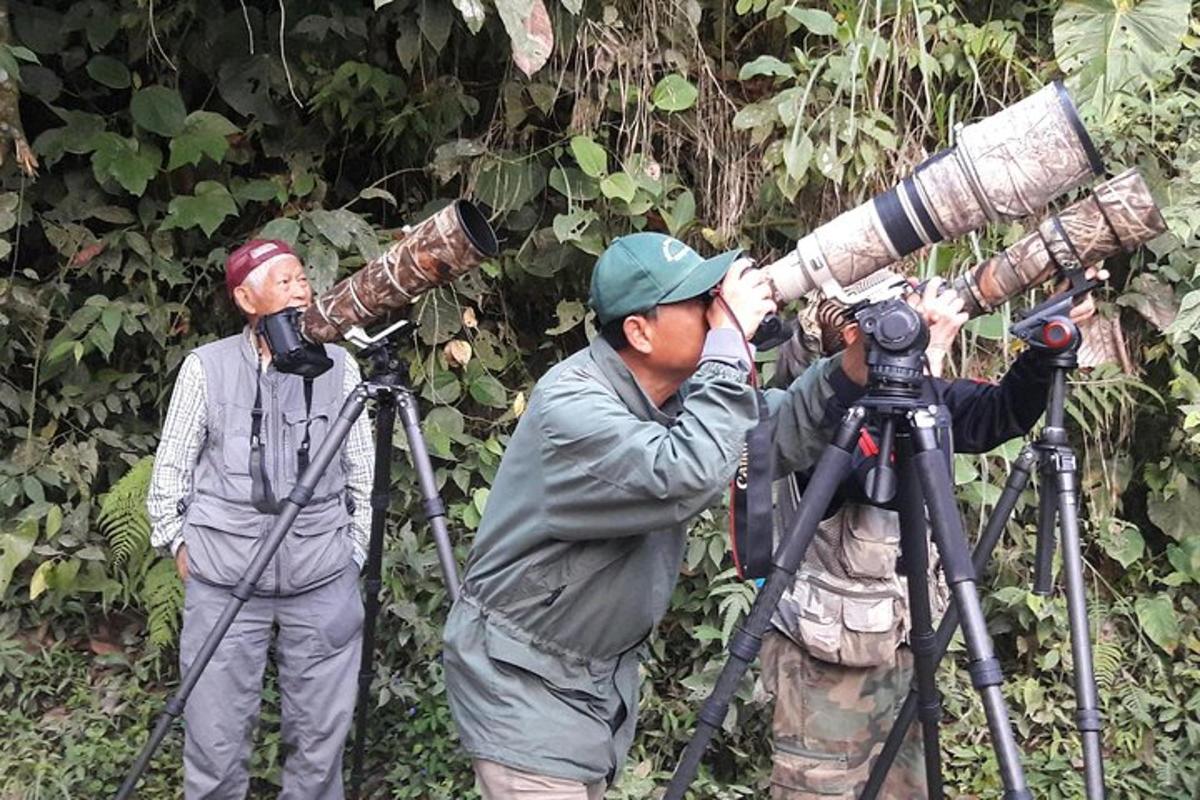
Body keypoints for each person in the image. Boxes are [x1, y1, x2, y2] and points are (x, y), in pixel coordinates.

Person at [442, 232, 869, 799]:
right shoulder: (572, 408)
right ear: (639, 332)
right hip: (523, 680)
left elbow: (764, 435)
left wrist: (850, 370)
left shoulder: (667, 395)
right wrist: (727, 342)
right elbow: (684, 473)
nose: (713, 310)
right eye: (696, 302)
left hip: (585, 681)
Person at [760, 276, 1103, 799]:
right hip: (823, 669)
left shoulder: (923, 400)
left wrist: (1042, 346)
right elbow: (889, 480)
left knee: (906, 791)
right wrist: (929, 362)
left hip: (901, 648)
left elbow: (998, 415)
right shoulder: (822, 419)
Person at [147, 238, 374, 800]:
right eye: (285, 281)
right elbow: (170, 467)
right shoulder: (207, 367)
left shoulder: (340, 367)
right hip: (224, 583)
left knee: (321, 744)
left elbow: (364, 470)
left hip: (322, 578)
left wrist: (353, 555)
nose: (301, 290)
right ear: (247, 299)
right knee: (215, 743)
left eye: (303, 279)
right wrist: (180, 546)